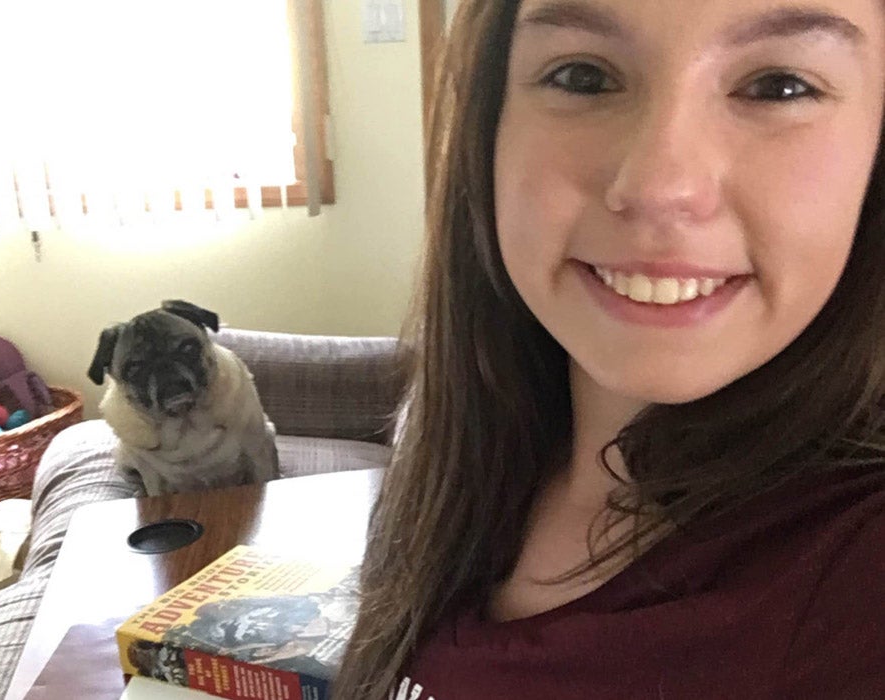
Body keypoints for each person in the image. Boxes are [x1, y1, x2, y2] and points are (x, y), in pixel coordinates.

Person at [335, 0, 885, 697]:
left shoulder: (858, 574)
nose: (657, 186)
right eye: (583, 77)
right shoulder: (455, 446)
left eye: (779, 85)